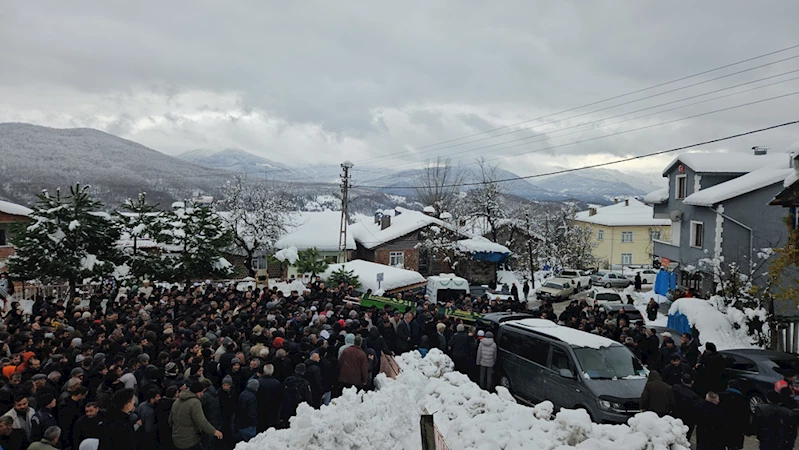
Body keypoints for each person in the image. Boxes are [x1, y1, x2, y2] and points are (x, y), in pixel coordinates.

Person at [170, 381, 222, 450]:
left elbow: (170, 420)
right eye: (201, 392)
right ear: (197, 392)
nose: (202, 394)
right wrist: (214, 431)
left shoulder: (176, 401)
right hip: (190, 440)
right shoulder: (195, 403)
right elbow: (202, 421)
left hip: (177, 439)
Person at [718, 379, 749, 450]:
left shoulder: (720, 396)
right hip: (737, 429)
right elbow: (746, 416)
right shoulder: (742, 399)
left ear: (728, 386)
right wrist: (746, 430)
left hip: (722, 427)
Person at [671, 373, 700, 440]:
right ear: (692, 381)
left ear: (681, 380)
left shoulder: (675, 388)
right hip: (688, 419)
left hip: (675, 415)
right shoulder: (694, 396)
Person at [256, 365, 283, 433]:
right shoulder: (277, 383)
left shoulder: (258, 382)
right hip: (274, 410)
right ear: (272, 371)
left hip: (260, 410)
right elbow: (280, 398)